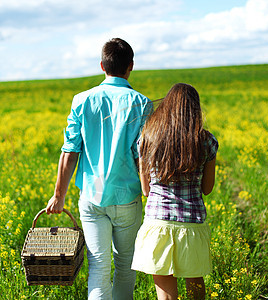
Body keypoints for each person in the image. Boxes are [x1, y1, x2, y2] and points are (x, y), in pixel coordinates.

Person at [46, 38, 153, 300]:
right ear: (131, 66)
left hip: (91, 198)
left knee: (98, 268)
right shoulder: (142, 103)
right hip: (128, 197)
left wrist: (59, 195)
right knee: (125, 266)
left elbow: (70, 150)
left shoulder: (81, 100)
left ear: (102, 65)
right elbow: (144, 156)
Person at [131, 83, 218, 300]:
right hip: (192, 224)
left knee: (165, 294)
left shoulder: (148, 139)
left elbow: (145, 189)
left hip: (158, 224)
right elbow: (207, 189)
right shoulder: (206, 141)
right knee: (195, 285)